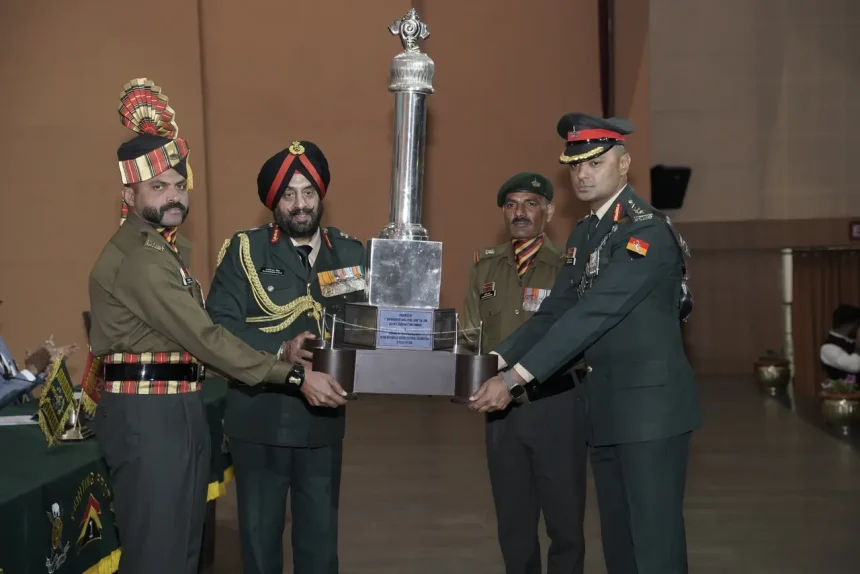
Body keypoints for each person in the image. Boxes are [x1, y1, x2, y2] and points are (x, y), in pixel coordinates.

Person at [87, 79, 343, 574]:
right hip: (148, 419)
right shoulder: (140, 259)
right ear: (129, 192)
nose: (174, 196)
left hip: (174, 410)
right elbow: (205, 337)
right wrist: (290, 373)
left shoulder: (164, 252)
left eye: (179, 185)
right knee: (158, 556)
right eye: (158, 186)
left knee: (181, 553)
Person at [470, 113, 701, 574]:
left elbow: (594, 314)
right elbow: (554, 312)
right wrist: (491, 360)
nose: (583, 173)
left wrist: (514, 378)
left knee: (654, 545)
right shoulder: (587, 233)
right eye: (575, 166)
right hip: (607, 411)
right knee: (619, 544)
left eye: (595, 163)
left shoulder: (645, 232)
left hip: (650, 415)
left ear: (624, 164)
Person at [207, 140, 364, 574]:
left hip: (323, 420)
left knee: (320, 545)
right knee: (259, 545)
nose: (300, 204)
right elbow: (219, 328)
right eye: (289, 194)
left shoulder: (351, 254)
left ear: (321, 196)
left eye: (308, 192)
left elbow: (369, 330)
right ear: (274, 202)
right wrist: (281, 349)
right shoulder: (245, 251)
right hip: (259, 419)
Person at [460, 172, 587, 574]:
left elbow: (570, 335)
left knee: (565, 523)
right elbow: (470, 335)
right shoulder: (485, 267)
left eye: (531, 203)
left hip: (557, 406)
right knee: (513, 523)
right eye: (512, 205)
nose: (520, 213)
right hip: (502, 412)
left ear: (548, 212)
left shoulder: (568, 266)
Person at [820, 304, 860, 378]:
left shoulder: (853, 342)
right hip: (846, 389)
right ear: (849, 325)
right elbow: (854, 366)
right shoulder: (828, 347)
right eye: (858, 324)